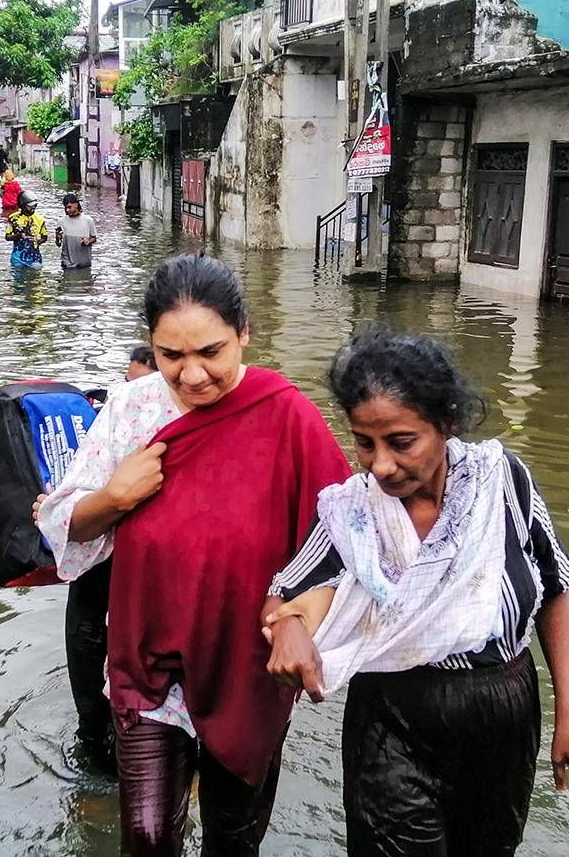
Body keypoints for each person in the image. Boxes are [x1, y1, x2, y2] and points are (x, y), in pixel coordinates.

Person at [37, 255, 351, 856]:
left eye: (211, 351)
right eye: (170, 356)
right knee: (149, 837)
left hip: (247, 663)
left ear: (244, 334)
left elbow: (342, 540)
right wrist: (114, 495)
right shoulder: (133, 410)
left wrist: (297, 618)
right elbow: (64, 526)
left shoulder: (285, 415)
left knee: (234, 839)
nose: (192, 375)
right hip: (148, 662)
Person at [262, 326, 569, 857]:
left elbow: (553, 593)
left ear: (446, 423)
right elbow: (285, 594)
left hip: (502, 713)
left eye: (402, 443)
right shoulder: (352, 511)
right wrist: (286, 628)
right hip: (392, 715)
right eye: (364, 442)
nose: (380, 465)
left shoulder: (502, 483)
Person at [39, 344, 160, 776]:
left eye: (144, 386)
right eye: (126, 385)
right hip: (99, 572)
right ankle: (93, 745)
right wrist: (57, 508)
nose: (131, 398)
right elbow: (71, 504)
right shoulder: (111, 425)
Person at [4, 195, 49, 267]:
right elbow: (7, 237)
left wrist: (38, 241)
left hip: (35, 258)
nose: (33, 208)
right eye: (30, 206)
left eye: (34, 206)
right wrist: (18, 236)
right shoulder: (13, 218)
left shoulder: (40, 219)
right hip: (17, 257)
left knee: (36, 275)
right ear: (22, 206)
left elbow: (45, 237)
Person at [56, 193, 98, 270]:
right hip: (67, 263)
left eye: (69, 207)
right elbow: (58, 244)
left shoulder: (88, 220)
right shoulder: (61, 221)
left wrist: (88, 241)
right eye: (65, 208)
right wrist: (58, 238)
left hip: (84, 262)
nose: (67, 210)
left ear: (76, 204)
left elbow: (94, 238)